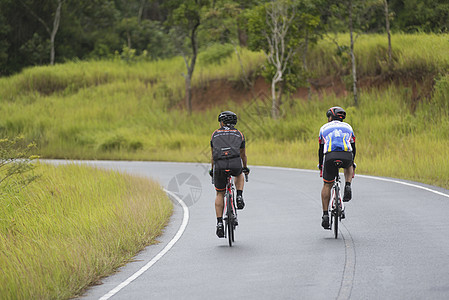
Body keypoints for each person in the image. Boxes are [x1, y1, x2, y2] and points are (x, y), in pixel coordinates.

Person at [210, 111, 250, 238]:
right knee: (239, 174)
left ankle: (219, 223)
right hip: (235, 163)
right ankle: (239, 196)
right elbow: (243, 154)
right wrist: (245, 167)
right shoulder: (239, 134)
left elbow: (213, 156)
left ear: (221, 122)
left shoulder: (215, 134)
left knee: (220, 193)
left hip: (219, 165)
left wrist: (212, 170)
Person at [318, 106, 356, 229]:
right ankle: (348, 185)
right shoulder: (348, 127)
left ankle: (325, 215)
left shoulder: (323, 128)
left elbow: (320, 149)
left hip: (330, 156)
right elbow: (353, 147)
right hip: (346, 155)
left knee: (327, 185)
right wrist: (352, 161)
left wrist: (321, 165)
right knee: (349, 164)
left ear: (330, 117)